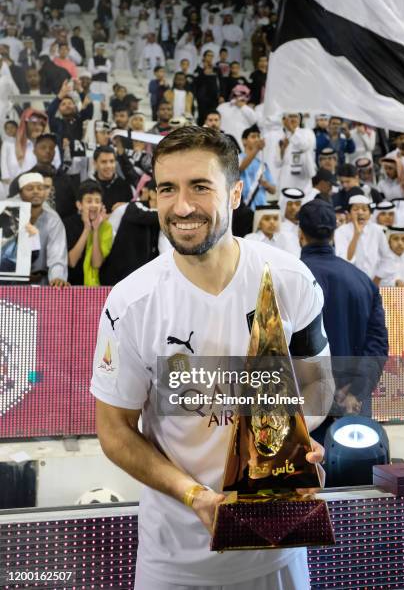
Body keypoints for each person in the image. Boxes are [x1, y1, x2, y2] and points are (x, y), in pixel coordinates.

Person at [91, 126, 328, 590]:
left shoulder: (290, 280)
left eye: (200, 187)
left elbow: (316, 390)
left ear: (236, 193)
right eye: (167, 189)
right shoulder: (132, 302)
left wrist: (300, 440)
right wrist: (195, 495)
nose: (182, 207)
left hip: (276, 552)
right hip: (174, 562)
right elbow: (114, 430)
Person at [299, 199, 388, 432]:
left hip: (304, 409)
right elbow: (377, 345)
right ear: (334, 233)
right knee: (356, 466)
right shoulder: (362, 280)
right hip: (352, 406)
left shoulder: (287, 279)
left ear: (300, 234)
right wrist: (356, 390)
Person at [18, 172, 69, 287]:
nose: (36, 191)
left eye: (40, 188)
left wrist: (57, 277)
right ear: (20, 193)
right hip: (9, 284)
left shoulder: (53, 219)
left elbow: (57, 254)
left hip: (41, 284)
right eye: (30, 188)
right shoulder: (9, 215)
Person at [334, 194, 395, 285]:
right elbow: (345, 261)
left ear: (370, 214)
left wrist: (376, 280)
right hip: (350, 283)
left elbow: (388, 258)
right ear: (349, 213)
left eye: (364, 209)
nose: (360, 212)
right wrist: (356, 235)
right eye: (355, 209)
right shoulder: (340, 232)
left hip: (375, 283)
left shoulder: (377, 230)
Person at [63, 181, 113, 286]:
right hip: (70, 285)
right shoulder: (68, 224)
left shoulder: (106, 227)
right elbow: (72, 261)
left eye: (97, 201)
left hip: (94, 287)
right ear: (79, 205)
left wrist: (95, 230)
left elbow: (96, 263)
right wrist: (87, 229)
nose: (94, 205)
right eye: (89, 201)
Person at [267, 112, 316, 193]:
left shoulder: (307, 132)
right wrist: (282, 150)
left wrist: (292, 130)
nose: (293, 119)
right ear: (284, 120)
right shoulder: (281, 136)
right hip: (286, 179)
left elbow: (304, 145)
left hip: (302, 179)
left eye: (295, 116)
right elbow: (277, 163)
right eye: (290, 117)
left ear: (300, 119)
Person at [239, 125, 275, 209]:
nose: (256, 139)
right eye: (253, 137)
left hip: (261, 207)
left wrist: (267, 185)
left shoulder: (262, 164)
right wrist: (257, 149)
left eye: (258, 137)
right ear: (244, 141)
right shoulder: (237, 158)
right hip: (243, 208)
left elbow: (273, 190)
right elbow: (240, 168)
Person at [91, 146, 133, 213]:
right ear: (95, 163)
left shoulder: (124, 185)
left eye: (112, 161)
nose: (108, 166)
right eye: (104, 162)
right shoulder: (88, 186)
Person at [217, 85, 257, 150]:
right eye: (236, 95)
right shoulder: (222, 107)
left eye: (242, 95)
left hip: (241, 143)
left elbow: (254, 120)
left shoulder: (248, 110)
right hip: (223, 142)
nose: (238, 98)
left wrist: (243, 107)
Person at [279, 187, 305, 257]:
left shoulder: (306, 227)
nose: (293, 207)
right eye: (289, 204)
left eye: (297, 204)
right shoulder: (278, 229)